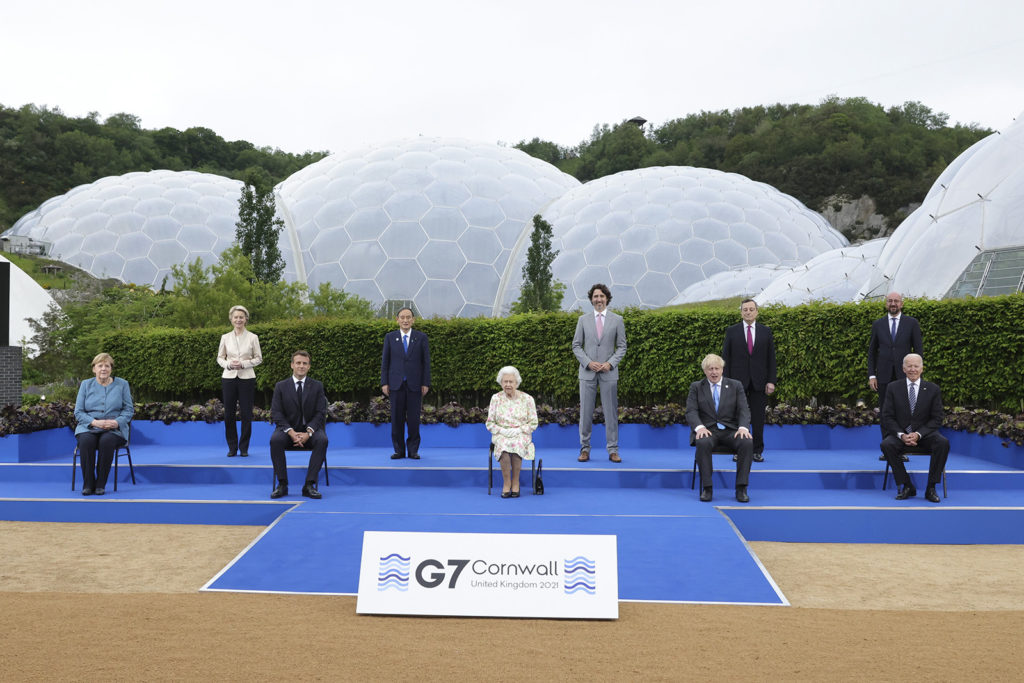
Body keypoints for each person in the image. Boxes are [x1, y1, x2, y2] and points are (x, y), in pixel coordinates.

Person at [685, 353, 753, 503]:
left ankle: (741, 488)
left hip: (731, 431)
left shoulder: (736, 385)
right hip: (708, 430)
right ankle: (707, 489)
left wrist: (743, 428)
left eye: (717, 368)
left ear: (722, 369)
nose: (714, 372)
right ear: (705, 371)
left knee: (747, 442)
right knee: (702, 442)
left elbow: (744, 409)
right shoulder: (696, 387)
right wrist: (700, 427)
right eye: (710, 369)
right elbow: (691, 411)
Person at [880, 354, 948, 504]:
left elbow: (937, 418)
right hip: (901, 435)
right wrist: (901, 435)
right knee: (886, 445)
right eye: (909, 366)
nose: (912, 369)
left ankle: (931, 488)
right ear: (903, 369)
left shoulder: (933, 389)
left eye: (916, 366)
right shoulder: (893, 388)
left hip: (924, 435)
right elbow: (887, 416)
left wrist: (918, 434)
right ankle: (907, 485)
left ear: (922, 368)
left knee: (942, 443)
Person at [572, 283, 627, 463]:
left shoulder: (617, 320)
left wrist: (610, 364)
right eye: (596, 296)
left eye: (602, 296)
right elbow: (576, 345)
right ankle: (585, 449)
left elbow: (622, 346)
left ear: (607, 299)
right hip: (587, 374)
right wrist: (588, 363)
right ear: (591, 299)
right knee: (585, 413)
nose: (599, 299)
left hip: (609, 373)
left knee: (610, 413)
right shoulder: (583, 320)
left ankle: (613, 450)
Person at [722, 298, 776, 462]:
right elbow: (726, 358)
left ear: (757, 311)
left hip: (760, 383)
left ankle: (756, 451)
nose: (748, 312)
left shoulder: (766, 331)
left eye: (751, 309)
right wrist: (726, 382)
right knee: (738, 417)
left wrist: (771, 380)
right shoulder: (732, 331)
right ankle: (738, 450)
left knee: (758, 418)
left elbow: (771, 359)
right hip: (737, 383)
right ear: (741, 312)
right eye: (745, 309)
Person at [269, 350, 328, 500]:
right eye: (298, 363)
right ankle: (282, 484)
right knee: (275, 440)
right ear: (292, 365)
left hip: (310, 430)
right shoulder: (281, 386)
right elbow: (276, 412)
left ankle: (309, 485)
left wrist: (308, 433)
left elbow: (321, 412)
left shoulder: (317, 386)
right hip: (287, 430)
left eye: (304, 363)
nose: (301, 366)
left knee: (322, 440)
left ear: (309, 366)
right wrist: (291, 432)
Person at [74, 353, 134, 496]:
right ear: (94, 369)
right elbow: (78, 412)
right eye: (100, 365)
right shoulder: (85, 385)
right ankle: (88, 484)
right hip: (90, 426)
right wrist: (94, 422)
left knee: (106, 441)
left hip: (114, 428)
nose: (103, 369)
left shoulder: (122, 384)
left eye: (107, 366)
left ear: (111, 369)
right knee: (86, 441)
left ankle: (100, 484)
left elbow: (128, 410)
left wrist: (116, 422)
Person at [868, 292, 922, 445]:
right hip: (883, 376)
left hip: (905, 375)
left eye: (896, 301)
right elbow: (872, 352)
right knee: (885, 411)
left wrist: (916, 374)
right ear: (886, 304)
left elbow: (918, 351)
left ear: (901, 304)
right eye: (890, 301)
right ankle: (887, 446)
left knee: (904, 411)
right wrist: (872, 375)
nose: (893, 304)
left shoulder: (912, 323)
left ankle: (903, 446)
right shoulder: (878, 324)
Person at [380, 307, 431, 460]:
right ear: (397, 320)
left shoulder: (421, 337)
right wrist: (384, 383)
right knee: (396, 419)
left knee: (414, 420)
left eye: (408, 317)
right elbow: (385, 362)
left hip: (415, 385)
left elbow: (426, 363)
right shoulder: (390, 337)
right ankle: (399, 450)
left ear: (413, 320)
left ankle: (413, 450)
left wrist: (425, 383)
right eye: (402, 317)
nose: (405, 320)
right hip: (395, 385)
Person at [485, 366, 539, 498]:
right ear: (501, 382)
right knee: (503, 446)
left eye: (511, 382)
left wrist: (519, 430)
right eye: (505, 381)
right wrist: (502, 430)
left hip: (521, 433)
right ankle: (506, 483)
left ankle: (516, 482)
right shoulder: (495, 398)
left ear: (517, 383)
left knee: (517, 444)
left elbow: (533, 423)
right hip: (501, 433)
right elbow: (490, 423)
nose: (508, 384)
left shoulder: (527, 399)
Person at [217, 305, 262, 457]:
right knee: (229, 414)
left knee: (246, 414)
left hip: (247, 378)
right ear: (231, 319)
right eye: (235, 317)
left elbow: (259, 358)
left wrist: (244, 364)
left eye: (241, 317)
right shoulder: (225, 337)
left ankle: (244, 448)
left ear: (246, 319)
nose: (238, 319)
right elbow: (220, 358)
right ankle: (232, 447)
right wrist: (228, 364)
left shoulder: (253, 337)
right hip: (228, 378)